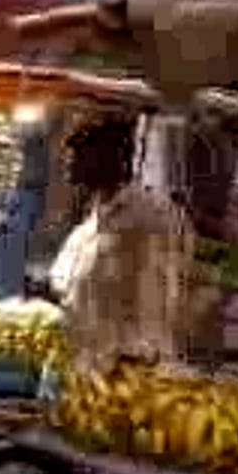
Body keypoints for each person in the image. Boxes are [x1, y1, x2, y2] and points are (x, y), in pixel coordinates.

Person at [49, 115, 196, 371]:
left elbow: (164, 291)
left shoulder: (153, 216)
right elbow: (69, 285)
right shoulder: (91, 222)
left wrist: (139, 353)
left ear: (110, 157)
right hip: (84, 363)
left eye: (80, 154)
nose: (69, 163)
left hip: (127, 366)